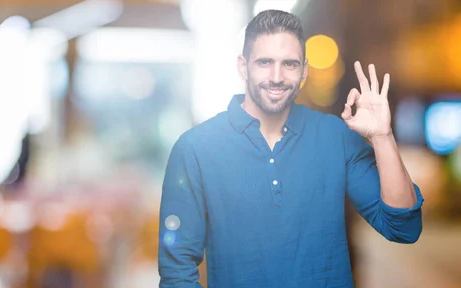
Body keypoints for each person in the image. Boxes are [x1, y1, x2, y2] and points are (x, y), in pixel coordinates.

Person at [158, 10, 423, 288]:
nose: (276, 77)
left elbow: (403, 228)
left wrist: (382, 136)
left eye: (289, 64)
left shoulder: (335, 136)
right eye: (264, 62)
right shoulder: (195, 148)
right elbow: (177, 269)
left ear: (304, 70)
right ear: (243, 66)